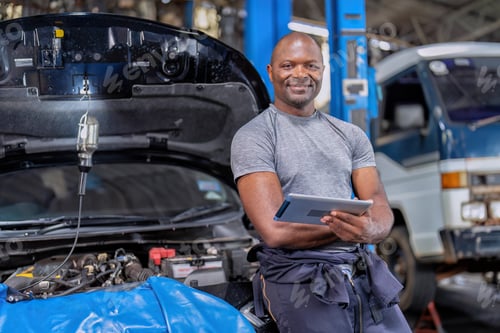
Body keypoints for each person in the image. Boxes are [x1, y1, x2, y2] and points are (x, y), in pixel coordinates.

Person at [230, 32, 412, 333]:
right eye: (288, 65)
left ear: (322, 71)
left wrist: (373, 228)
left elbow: (379, 205)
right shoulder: (255, 137)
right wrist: (348, 228)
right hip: (296, 277)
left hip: (358, 267)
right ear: (271, 72)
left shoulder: (350, 135)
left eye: (310, 66)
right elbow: (274, 230)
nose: (300, 74)